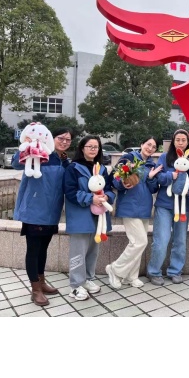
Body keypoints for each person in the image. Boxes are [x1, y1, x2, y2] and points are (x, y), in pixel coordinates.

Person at [12, 127, 73, 306]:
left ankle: (42, 281)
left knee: (43, 249)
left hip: (52, 211)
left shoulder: (63, 160)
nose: (64, 142)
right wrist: (29, 142)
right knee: (33, 249)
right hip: (34, 210)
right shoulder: (39, 153)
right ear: (50, 138)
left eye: (68, 140)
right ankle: (35, 289)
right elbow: (16, 163)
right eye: (61, 138)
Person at [63, 135, 115, 301]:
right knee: (78, 251)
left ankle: (88, 279)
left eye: (96, 147)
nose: (93, 149)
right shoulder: (74, 168)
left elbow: (109, 189)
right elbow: (70, 192)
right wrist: (90, 198)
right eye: (90, 146)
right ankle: (76, 285)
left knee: (93, 250)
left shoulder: (101, 169)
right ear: (82, 148)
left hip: (98, 217)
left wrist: (106, 197)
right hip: (80, 216)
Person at [105, 137, 161, 290]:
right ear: (141, 144)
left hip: (144, 207)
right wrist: (122, 183)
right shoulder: (128, 158)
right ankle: (115, 270)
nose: (150, 148)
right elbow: (114, 179)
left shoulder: (151, 165)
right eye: (148, 144)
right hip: (129, 206)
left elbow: (153, 189)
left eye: (154, 147)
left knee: (136, 243)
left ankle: (132, 276)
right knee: (140, 242)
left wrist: (151, 178)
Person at [147, 129, 189, 285]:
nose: (180, 142)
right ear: (173, 142)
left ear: (188, 142)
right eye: (178, 139)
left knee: (180, 240)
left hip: (182, 207)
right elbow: (158, 176)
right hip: (165, 205)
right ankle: (154, 272)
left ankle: (175, 270)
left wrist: (187, 190)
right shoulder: (164, 158)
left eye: (183, 140)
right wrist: (171, 176)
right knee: (161, 240)